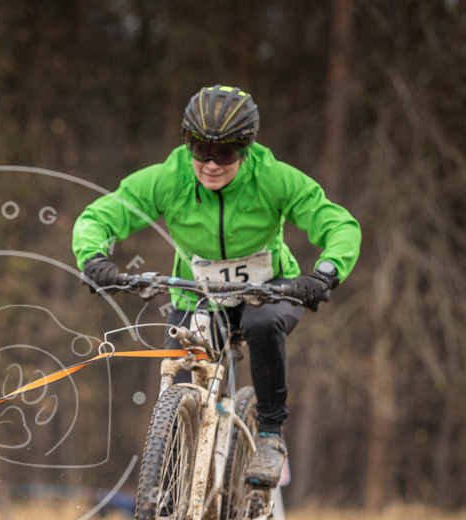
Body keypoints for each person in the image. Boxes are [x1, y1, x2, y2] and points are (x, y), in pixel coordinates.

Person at [72, 84, 360, 486]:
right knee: (178, 383)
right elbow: (99, 217)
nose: (210, 163)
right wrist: (94, 258)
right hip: (197, 296)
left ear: (245, 149)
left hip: (270, 291)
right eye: (199, 149)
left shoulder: (272, 178)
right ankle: (166, 504)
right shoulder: (168, 178)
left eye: (224, 152)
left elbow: (338, 224)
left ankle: (271, 436)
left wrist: (326, 272)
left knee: (261, 326)